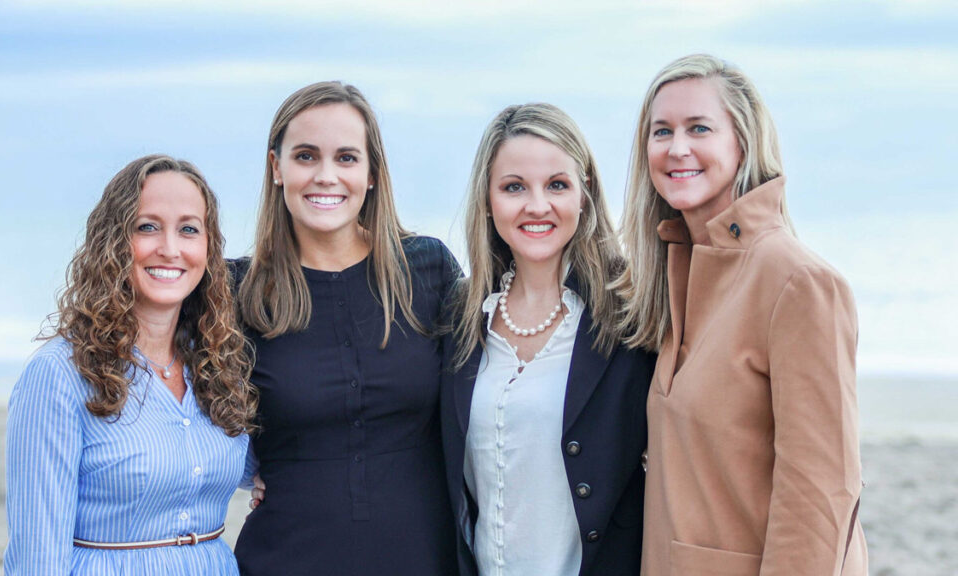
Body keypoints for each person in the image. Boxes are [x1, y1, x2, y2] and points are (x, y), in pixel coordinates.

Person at [612, 54, 867, 575]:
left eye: (699, 128)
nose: (677, 147)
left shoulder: (798, 283)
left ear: (742, 141)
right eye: (662, 131)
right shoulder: (670, 277)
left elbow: (821, 490)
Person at [232, 81, 460, 575]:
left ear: (373, 172)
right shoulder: (236, 291)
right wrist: (243, 471)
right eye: (306, 156)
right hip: (284, 558)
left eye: (347, 158)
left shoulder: (429, 270)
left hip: (424, 558)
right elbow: (172, 393)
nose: (326, 176)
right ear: (277, 167)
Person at [5, 154, 257, 575]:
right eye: (147, 227)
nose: (170, 248)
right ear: (113, 241)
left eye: (189, 230)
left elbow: (260, 467)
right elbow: (36, 560)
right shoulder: (58, 375)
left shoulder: (218, 365)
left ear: (208, 249)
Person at [440, 103, 655, 576]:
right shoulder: (459, 321)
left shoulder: (634, 316)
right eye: (514, 186)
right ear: (488, 198)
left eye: (557, 185)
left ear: (585, 193)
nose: (537, 205)